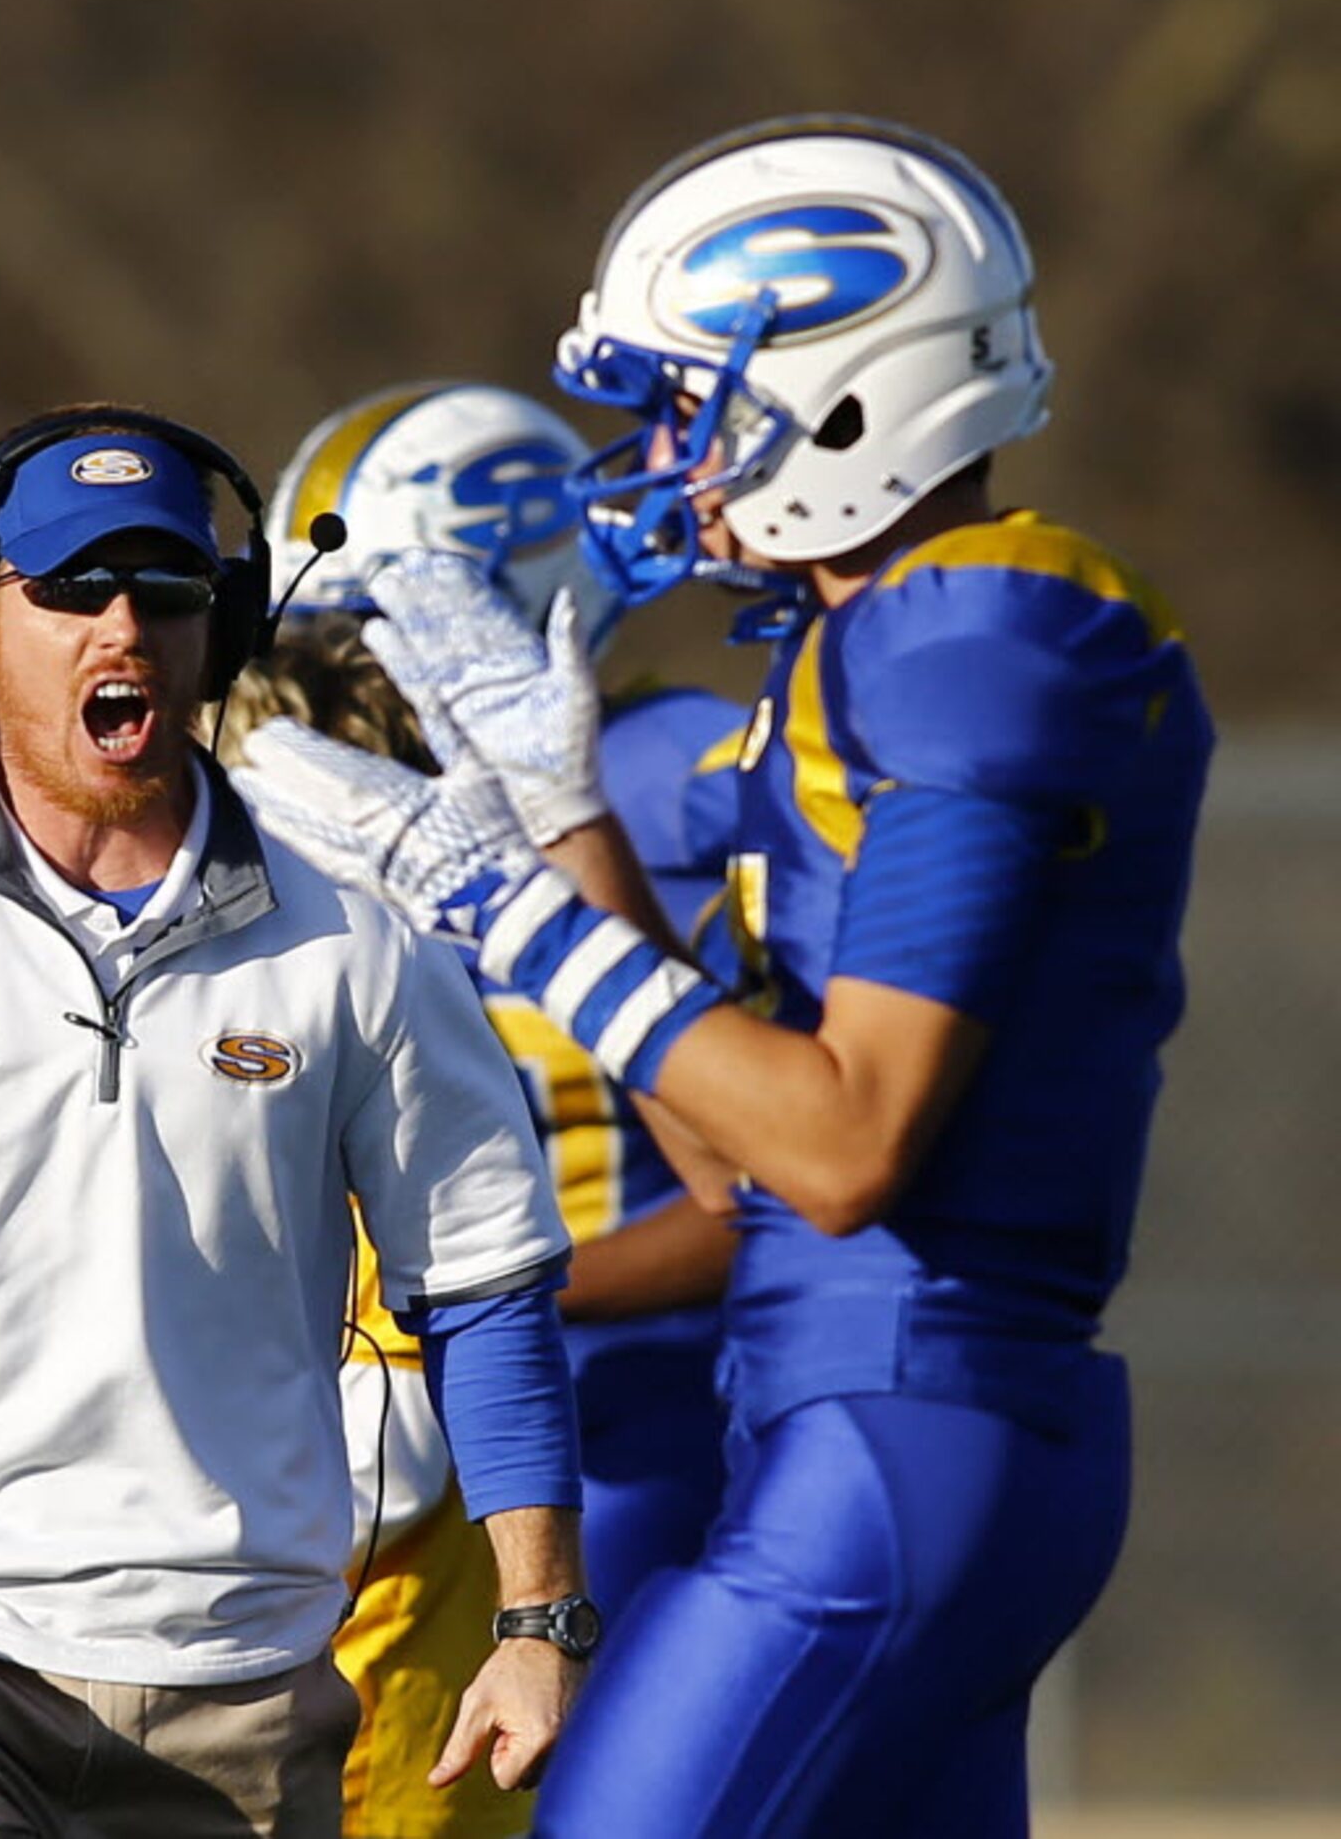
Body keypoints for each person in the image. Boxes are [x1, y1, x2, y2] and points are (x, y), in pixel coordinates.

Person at [234, 118, 1209, 1837]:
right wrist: (560, 823)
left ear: (844, 383)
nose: (668, 452)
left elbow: (840, 1151)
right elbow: (726, 1150)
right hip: (859, 1421)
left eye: (697, 398)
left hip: (902, 1423)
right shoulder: (869, 640)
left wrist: (493, 906)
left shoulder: (974, 622)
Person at [0, 405, 591, 1837]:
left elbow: (484, 1285)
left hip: (251, 1683)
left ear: (221, 626)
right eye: (71, 587)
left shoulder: (362, 947)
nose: (119, 625)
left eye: (165, 589)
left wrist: (538, 1618)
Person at [222, 380, 747, 1838]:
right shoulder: (305, 790)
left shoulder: (687, 772)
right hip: (371, 1443)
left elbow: (766, 1179)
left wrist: (481, 1296)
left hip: (628, 1415)